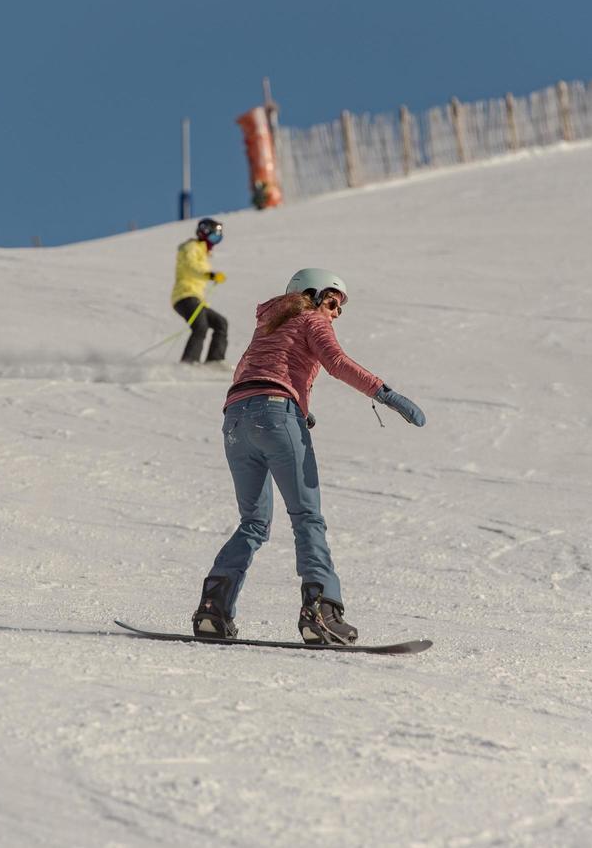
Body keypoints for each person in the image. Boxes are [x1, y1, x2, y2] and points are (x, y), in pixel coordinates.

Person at [191, 268, 427, 645]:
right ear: (313, 294)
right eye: (333, 301)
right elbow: (335, 361)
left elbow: (246, 371)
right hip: (276, 414)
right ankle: (322, 611)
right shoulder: (310, 317)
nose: (335, 312)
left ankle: (212, 610)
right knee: (306, 516)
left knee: (253, 522)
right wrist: (385, 394)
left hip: (236, 420)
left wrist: (296, 405)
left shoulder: (269, 324)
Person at [170, 217, 229, 364]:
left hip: (196, 298)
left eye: (218, 239)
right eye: (214, 237)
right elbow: (191, 266)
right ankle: (189, 362)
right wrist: (210, 275)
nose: (214, 242)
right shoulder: (190, 247)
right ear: (204, 232)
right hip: (185, 295)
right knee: (200, 326)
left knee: (220, 323)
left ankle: (214, 361)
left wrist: (211, 275)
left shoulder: (202, 253)